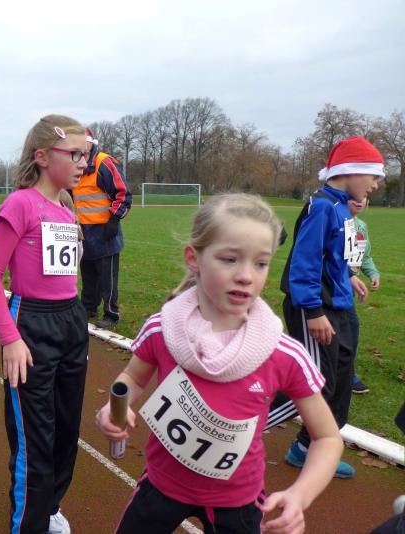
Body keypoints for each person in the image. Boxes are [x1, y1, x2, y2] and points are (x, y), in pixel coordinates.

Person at [95, 193, 343, 534]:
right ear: (194, 259)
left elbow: (328, 437)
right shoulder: (162, 329)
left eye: (261, 263)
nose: (246, 276)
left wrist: (301, 495)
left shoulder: (283, 354)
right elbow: (133, 379)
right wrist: (113, 408)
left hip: (238, 502)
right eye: (229, 259)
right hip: (160, 487)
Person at [0, 115, 89, 534]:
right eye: (74, 154)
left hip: (71, 322)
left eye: (85, 155)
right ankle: (29, 522)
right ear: (43, 157)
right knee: (35, 437)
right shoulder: (20, 204)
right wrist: (11, 338)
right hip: (32, 325)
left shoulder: (67, 207)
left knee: (66, 430)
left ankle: (50, 506)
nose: (83, 163)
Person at [267, 136, 384, 479]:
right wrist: (314, 311)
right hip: (316, 308)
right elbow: (304, 263)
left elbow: (333, 257)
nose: (376, 185)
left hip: (341, 307)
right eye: (373, 176)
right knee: (315, 383)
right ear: (351, 171)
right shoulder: (321, 206)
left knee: (342, 383)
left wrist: (350, 276)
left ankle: (306, 449)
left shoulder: (343, 208)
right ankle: (234, 430)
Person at [72, 128, 132, 330]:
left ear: (92, 142)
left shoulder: (104, 162)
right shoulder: (74, 164)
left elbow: (123, 193)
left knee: (108, 279)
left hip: (105, 231)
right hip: (83, 231)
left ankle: (111, 313)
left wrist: (114, 219)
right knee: (88, 275)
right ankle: (88, 308)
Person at [347, 195, 380, 394]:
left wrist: (373, 273)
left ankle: (345, 374)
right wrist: (347, 276)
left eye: (365, 197)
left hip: (349, 289)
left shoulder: (361, 226)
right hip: (329, 287)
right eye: (355, 197)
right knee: (347, 329)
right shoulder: (337, 222)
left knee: (350, 330)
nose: (360, 200)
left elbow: (364, 256)